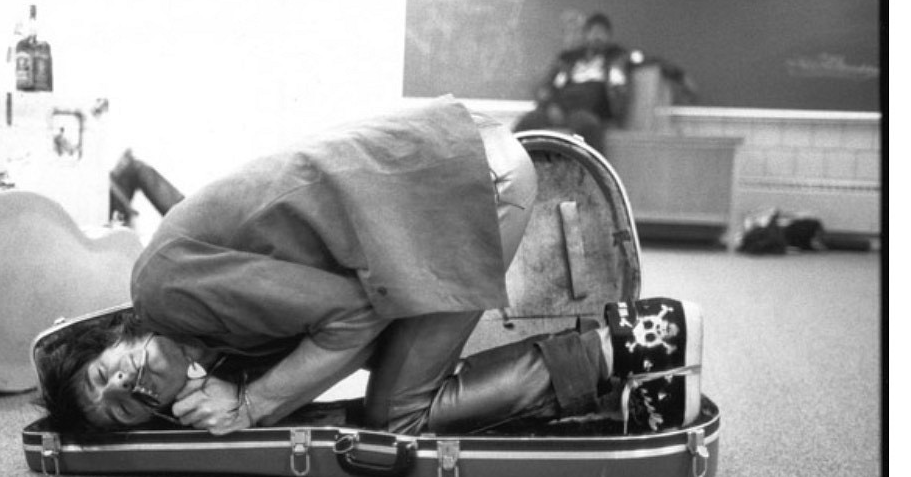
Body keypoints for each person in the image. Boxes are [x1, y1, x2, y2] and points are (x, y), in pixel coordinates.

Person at [36, 97, 702, 437]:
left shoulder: (162, 289)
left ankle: (622, 344)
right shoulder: (197, 332)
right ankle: (615, 387)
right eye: (122, 410)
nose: (124, 384)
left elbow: (352, 316)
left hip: (476, 185)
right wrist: (236, 388)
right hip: (456, 165)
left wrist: (250, 405)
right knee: (393, 371)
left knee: (395, 413)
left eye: (103, 374)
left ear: (111, 339)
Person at [514, 12, 632, 152]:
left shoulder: (615, 59)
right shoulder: (568, 59)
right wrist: (550, 105)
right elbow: (546, 85)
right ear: (586, 35)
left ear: (608, 37)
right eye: (594, 31)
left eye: (602, 32)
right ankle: (509, 166)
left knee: (589, 126)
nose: (597, 37)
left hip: (585, 110)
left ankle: (592, 172)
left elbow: (621, 85)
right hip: (558, 104)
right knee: (525, 124)